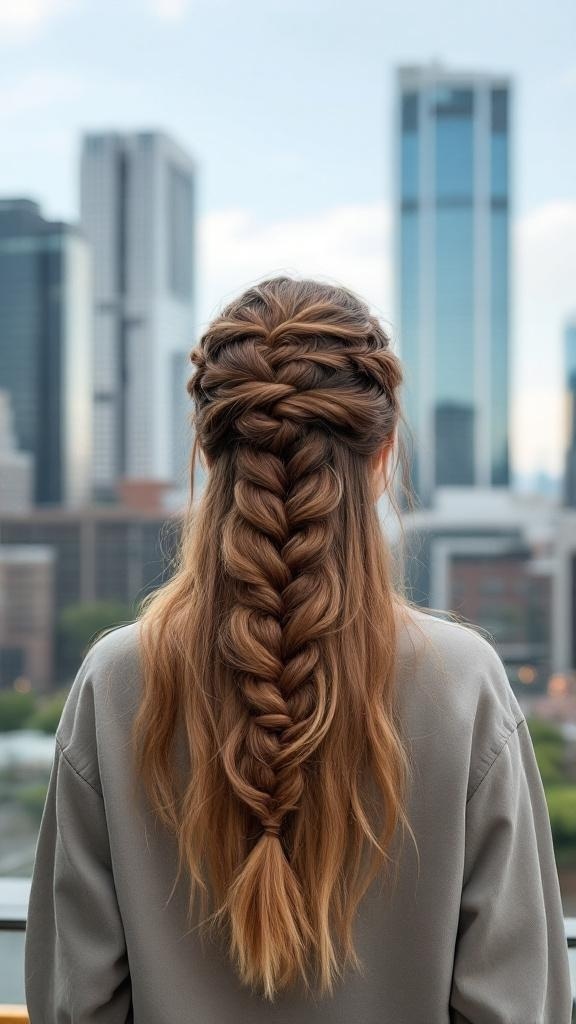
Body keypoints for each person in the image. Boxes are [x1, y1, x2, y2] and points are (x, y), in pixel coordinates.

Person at [24, 276, 573, 1023]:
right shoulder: (463, 684)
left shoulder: (116, 681)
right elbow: (515, 1005)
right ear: (382, 458)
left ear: (211, 457)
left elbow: (74, 1002)